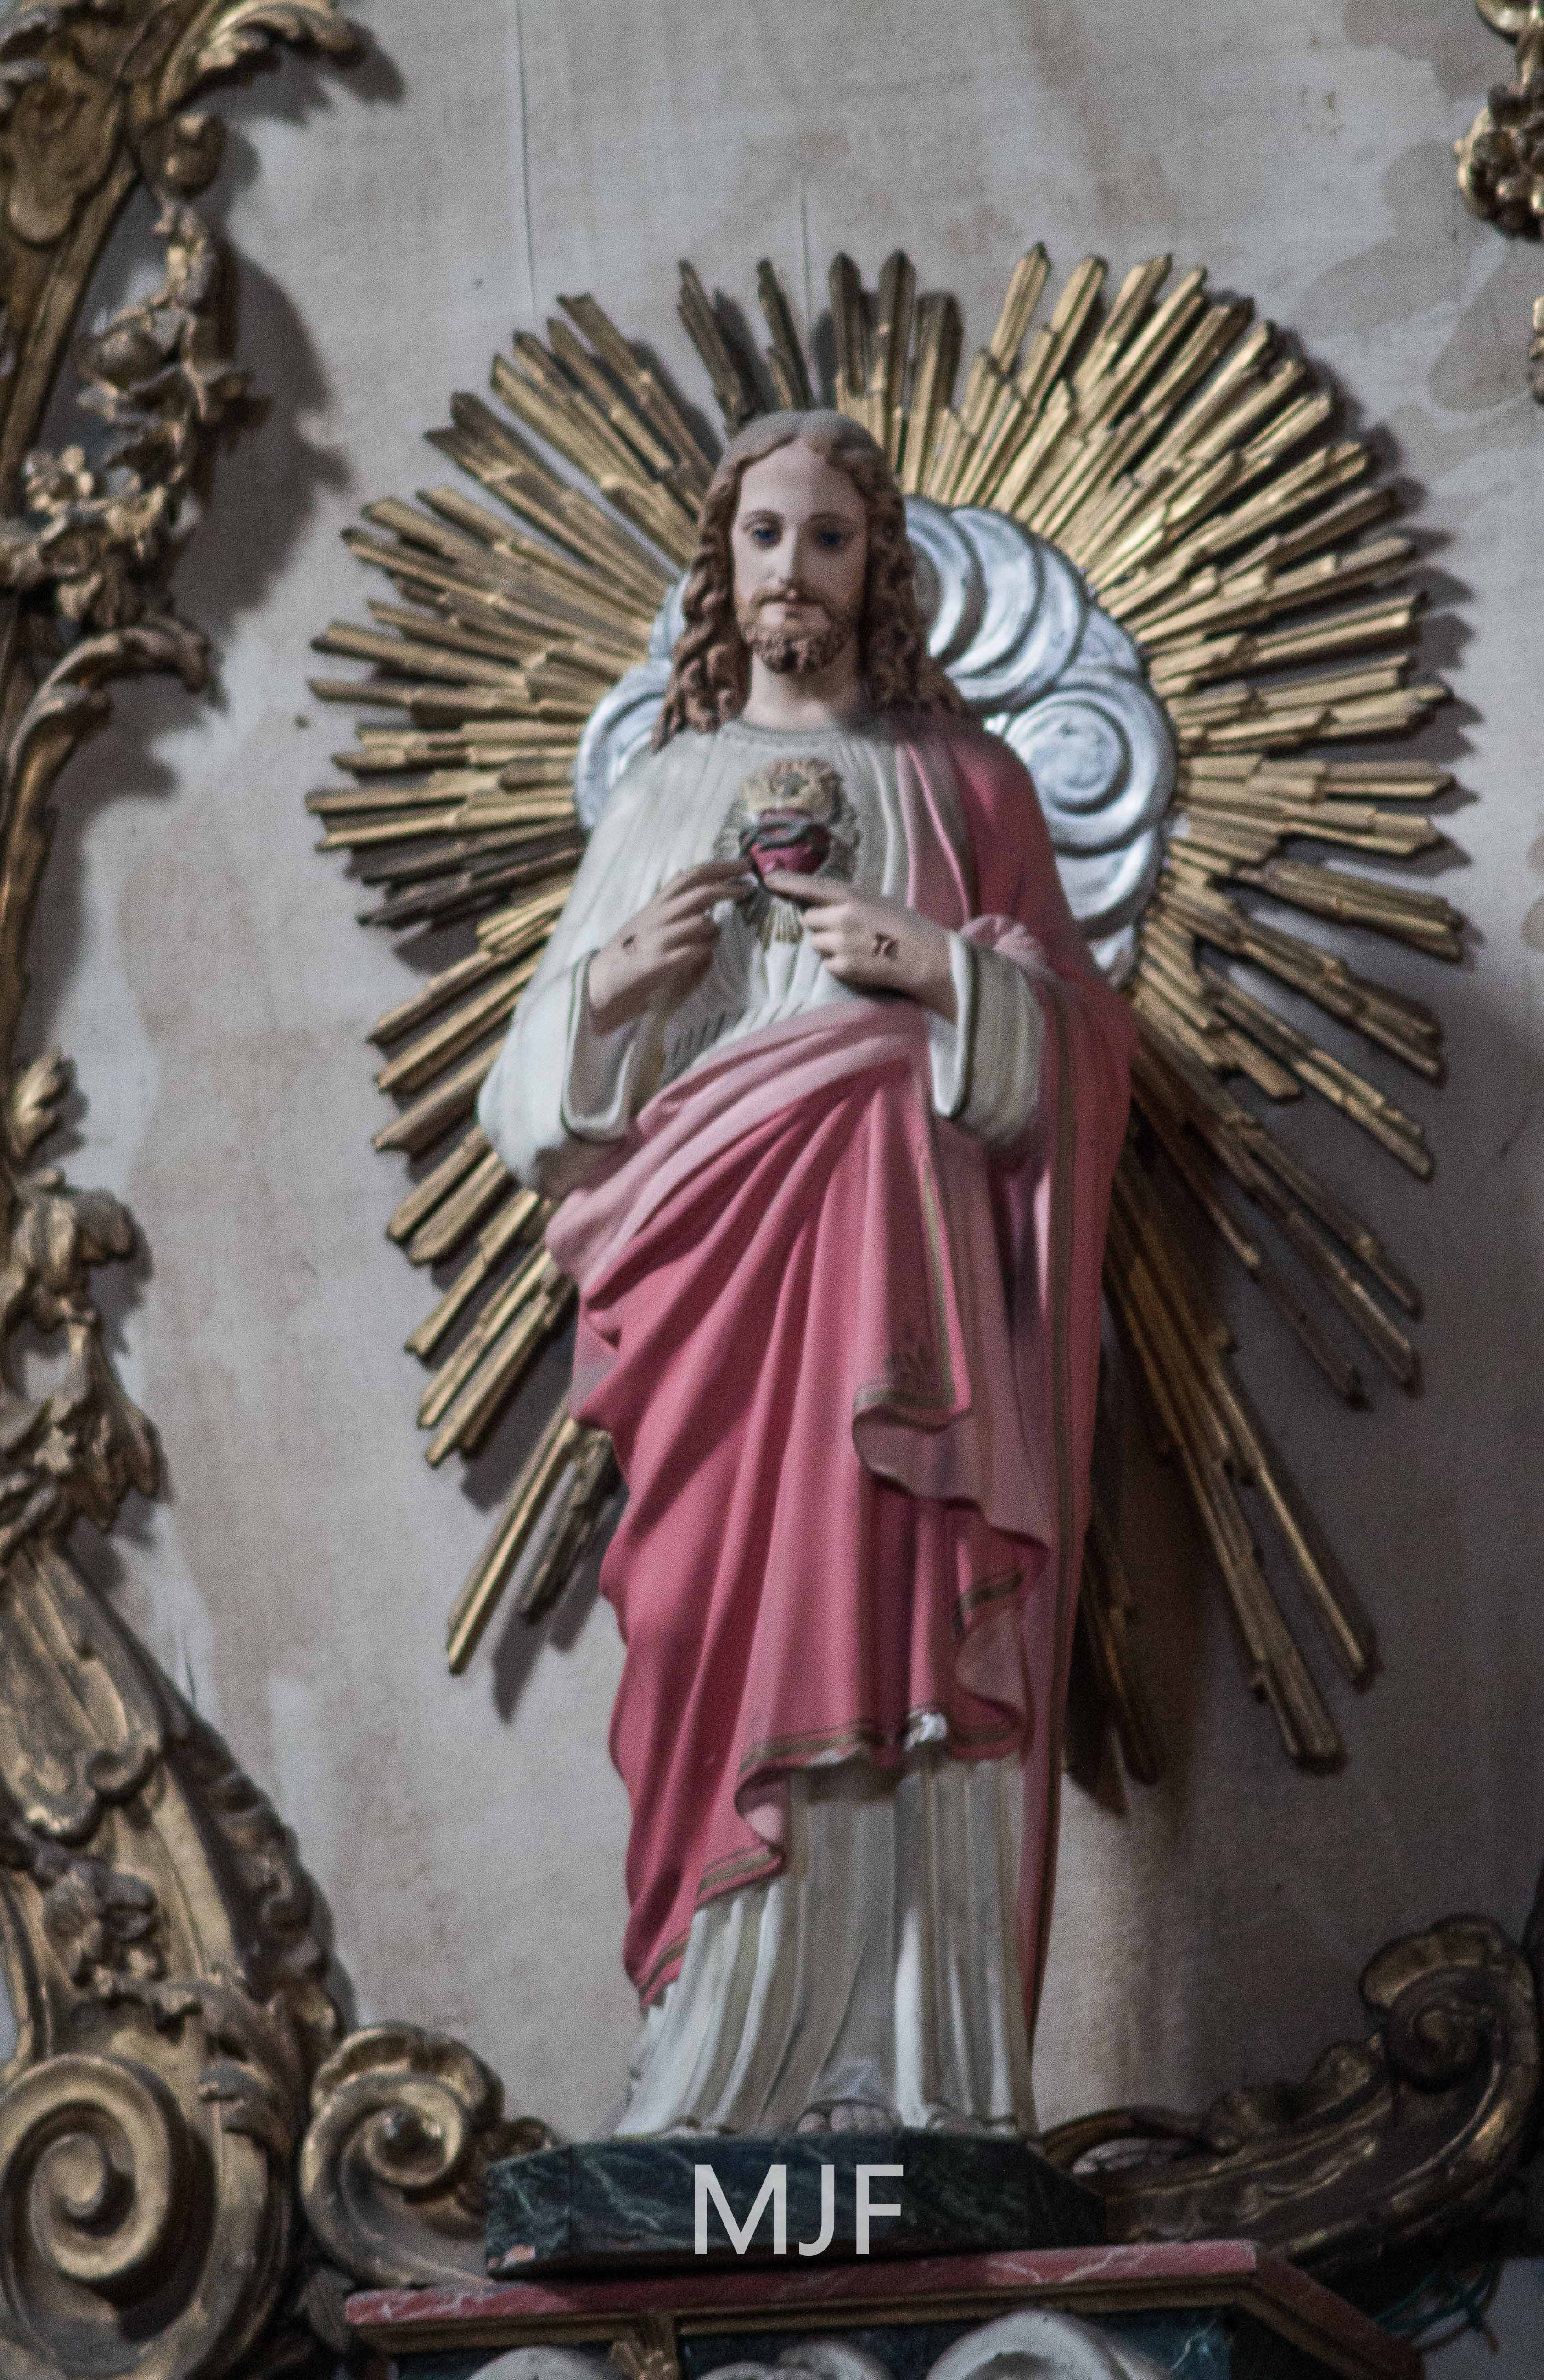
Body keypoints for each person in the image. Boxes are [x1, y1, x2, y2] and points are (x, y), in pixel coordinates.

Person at [479, 409, 1135, 2138]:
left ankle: (916, 2078)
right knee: (709, 1624)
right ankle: (718, 2064)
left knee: (905, 1628)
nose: (793, 570)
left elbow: (1083, 1048)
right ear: (724, 565)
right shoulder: (663, 792)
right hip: (716, 1295)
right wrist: (612, 987)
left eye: (827, 538)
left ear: (875, 568)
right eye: (764, 536)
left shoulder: (966, 786)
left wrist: (942, 973)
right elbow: (530, 1107)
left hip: (908, 1322)